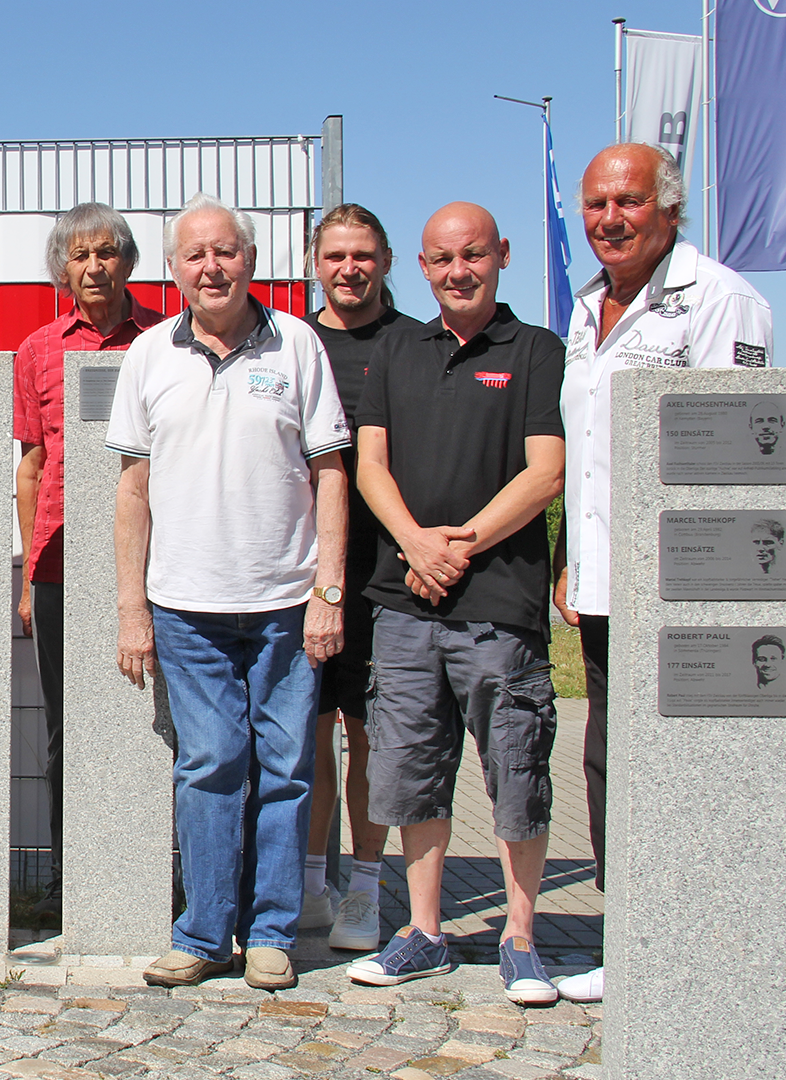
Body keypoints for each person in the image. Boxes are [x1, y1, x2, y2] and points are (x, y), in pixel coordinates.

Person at [108, 193, 349, 992]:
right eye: (195, 255)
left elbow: (331, 473)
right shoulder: (147, 355)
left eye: (227, 251)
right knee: (210, 763)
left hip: (285, 601)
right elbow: (133, 491)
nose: (212, 267)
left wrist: (329, 591)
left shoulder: (299, 345)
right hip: (186, 606)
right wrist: (131, 607)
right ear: (174, 270)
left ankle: (272, 931)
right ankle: (205, 932)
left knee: (285, 767)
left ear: (250, 259)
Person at [554, 142, 775, 1003]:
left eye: (629, 201)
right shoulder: (585, 307)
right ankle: (636, 936)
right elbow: (591, 457)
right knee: (611, 762)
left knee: (694, 765)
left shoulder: (723, 301)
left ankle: (710, 939)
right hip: (605, 582)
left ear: (670, 209)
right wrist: (572, 556)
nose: (610, 218)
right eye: (597, 204)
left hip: (687, 589)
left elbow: (740, 458)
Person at [343, 203, 567, 1006]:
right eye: (441, 258)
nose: (457, 270)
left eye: (472, 255)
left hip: (497, 604)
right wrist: (413, 544)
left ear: (500, 256)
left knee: (514, 766)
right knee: (410, 770)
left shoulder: (536, 350)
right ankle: (426, 932)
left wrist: (457, 545)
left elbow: (546, 473)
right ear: (424, 266)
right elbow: (371, 464)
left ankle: (521, 937)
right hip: (404, 604)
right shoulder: (397, 347)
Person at [15, 202, 164, 914]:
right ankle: (66, 875)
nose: (94, 267)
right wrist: (24, 575)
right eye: (80, 256)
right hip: (57, 560)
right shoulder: (38, 351)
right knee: (62, 726)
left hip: (155, 558)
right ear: (62, 269)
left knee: (152, 717)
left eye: (107, 252)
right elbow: (31, 466)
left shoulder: (166, 341)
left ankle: (144, 871)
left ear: (129, 262)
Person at [300, 204, 401, 953]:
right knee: (306, 733)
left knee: (369, 736)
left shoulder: (416, 345)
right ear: (315, 262)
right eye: (335, 255)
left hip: (386, 576)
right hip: (296, 571)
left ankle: (365, 889)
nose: (348, 268)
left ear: (386, 261)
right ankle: (307, 883)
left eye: (362, 254)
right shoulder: (290, 342)